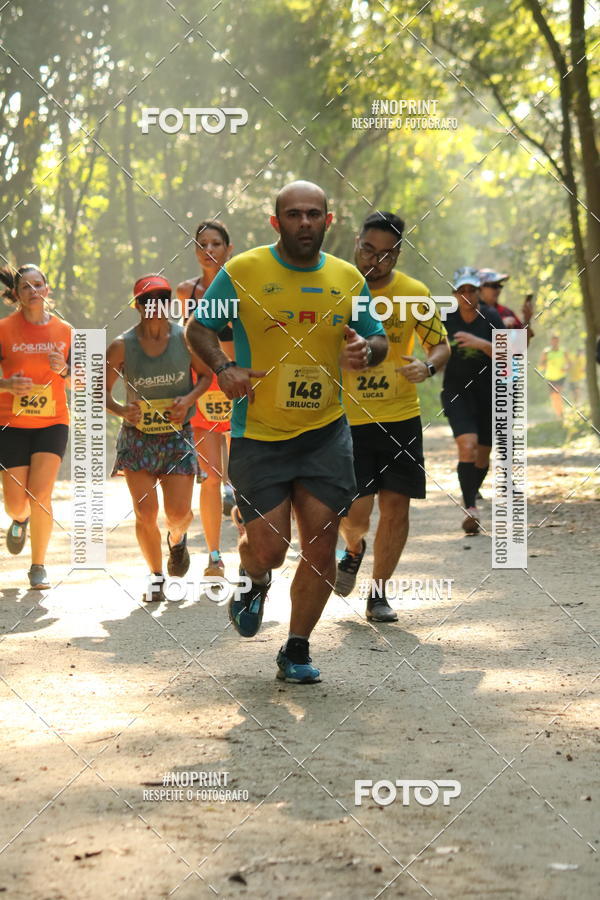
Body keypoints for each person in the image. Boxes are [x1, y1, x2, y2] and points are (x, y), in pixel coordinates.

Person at [186, 180, 387, 683]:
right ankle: (254, 581)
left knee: (320, 543)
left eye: (313, 214)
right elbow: (198, 328)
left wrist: (368, 350)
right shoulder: (245, 270)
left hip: (323, 432)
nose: (304, 222)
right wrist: (223, 367)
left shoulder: (347, 278)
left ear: (328, 221)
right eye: (293, 214)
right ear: (277, 223)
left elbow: (378, 337)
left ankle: (296, 648)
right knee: (271, 550)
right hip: (259, 432)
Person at [334, 212, 450, 620]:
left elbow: (441, 346)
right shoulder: (336, 288)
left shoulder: (415, 293)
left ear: (397, 254)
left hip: (400, 416)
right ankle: (353, 548)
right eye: (368, 249)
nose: (374, 260)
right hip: (347, 419)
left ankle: (379, 593)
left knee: (397, 506)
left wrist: (428, 367)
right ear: (356, 242)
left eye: (385, 254)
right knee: (355, 515)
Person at [106, 274, 211, 602]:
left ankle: (176, 540)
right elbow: (101, 390)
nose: (155, 306)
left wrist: (188, 400)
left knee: (177, 514)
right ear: (137, 306)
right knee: (145, 513)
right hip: (138, 440)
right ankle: (155, 576)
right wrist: (122, 410)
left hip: (177, 437)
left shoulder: (185, 338)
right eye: (147, 300)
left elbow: (207, 375)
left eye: (161, 299)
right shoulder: (122, 345)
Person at [0, 264, 72, 589]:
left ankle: (38, 565)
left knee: (40, 492)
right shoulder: (3, 329)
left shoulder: (65, 331)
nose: (33, 291)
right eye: (25, 286)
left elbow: (86, 382)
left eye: (38, 284)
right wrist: (6, 384)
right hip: (11, 423)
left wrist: (66, 372)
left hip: (52, 422)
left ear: (47, 289)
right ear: (16, 294)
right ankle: (19, 519)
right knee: (16, 501)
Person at [177, 220, 236, 578]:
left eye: (216, 243)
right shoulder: (186, 292)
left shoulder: (244, 285)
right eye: (202, 244)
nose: (209, 249)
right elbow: (176, 339)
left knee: (244, 478)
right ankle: (214, 556)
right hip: (202, 390)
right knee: (210, 478)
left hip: (240, 388)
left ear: (229, 249)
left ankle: (250, 545)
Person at [442, 267, 503, 535]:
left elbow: (509, 354)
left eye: (471, 290)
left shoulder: (491, 317)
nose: (466, 295)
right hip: (457, 392)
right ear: (455, 294)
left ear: (478, 292)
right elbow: (432, 346)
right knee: (467, 445)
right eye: (461, 290)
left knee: (482, 455)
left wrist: (480, 343)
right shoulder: (446, 319)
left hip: (488, 393)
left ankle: (472, 489)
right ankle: (470, 509)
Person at [478, 268, 534, 344]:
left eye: (499, 286)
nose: (498, 290)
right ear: (479, 288)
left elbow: (521, 346)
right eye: (494, 286)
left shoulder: (507, 312)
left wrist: (527, 320)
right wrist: (501, 326)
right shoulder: (470, 311)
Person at [539, 333, 570, 420]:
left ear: (558, 341)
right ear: (551, 341)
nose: (555, 342)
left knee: (558, 393)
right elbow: (540, 365)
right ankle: (559, 413)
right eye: (553, 340)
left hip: (561, 376)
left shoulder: (563, 351)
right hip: (550, 377)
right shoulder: (546, 352)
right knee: (554, 396)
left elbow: (569, 363)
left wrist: (566, 368)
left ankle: (561, 413)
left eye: (556, 340)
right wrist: (545, 364)